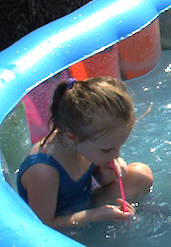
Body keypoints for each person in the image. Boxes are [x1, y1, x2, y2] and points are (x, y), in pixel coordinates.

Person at [16, 77, 153, 228]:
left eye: (118, 147)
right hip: (62, 224)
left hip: (86, 203)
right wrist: (96, 216)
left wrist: (106, 174)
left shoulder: (84, 141)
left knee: (140, 175)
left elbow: (99, 180)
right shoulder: (43, 172)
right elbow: (43, 225)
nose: (116, 155)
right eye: (107, 149)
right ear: (72, 137)